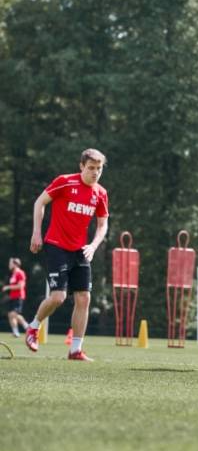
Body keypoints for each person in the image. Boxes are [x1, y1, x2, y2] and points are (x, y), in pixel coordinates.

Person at [25, 148, 109, 360]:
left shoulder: (100, 193)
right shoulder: (65, 182)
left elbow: (102, 224)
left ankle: (75, 350)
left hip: (81, 250)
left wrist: (93, 245)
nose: (95, 173)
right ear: (81, 166)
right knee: (58, 297)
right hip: (56, 245)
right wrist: (37, 232)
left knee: (84, 298)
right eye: (91, 168)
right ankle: (33, 327)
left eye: (99, 169)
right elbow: (39, 202)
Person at [4, 258, 29, 337]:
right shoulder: (13, 274)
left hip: (19, 297)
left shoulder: (20, 273)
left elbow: (20, 286)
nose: (9, 265)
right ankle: (16, 332)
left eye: (11, 263)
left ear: (15, 264)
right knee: (10, 315)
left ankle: (27, 327)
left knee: (13, 314)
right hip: (12, 297)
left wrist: (8, 287)